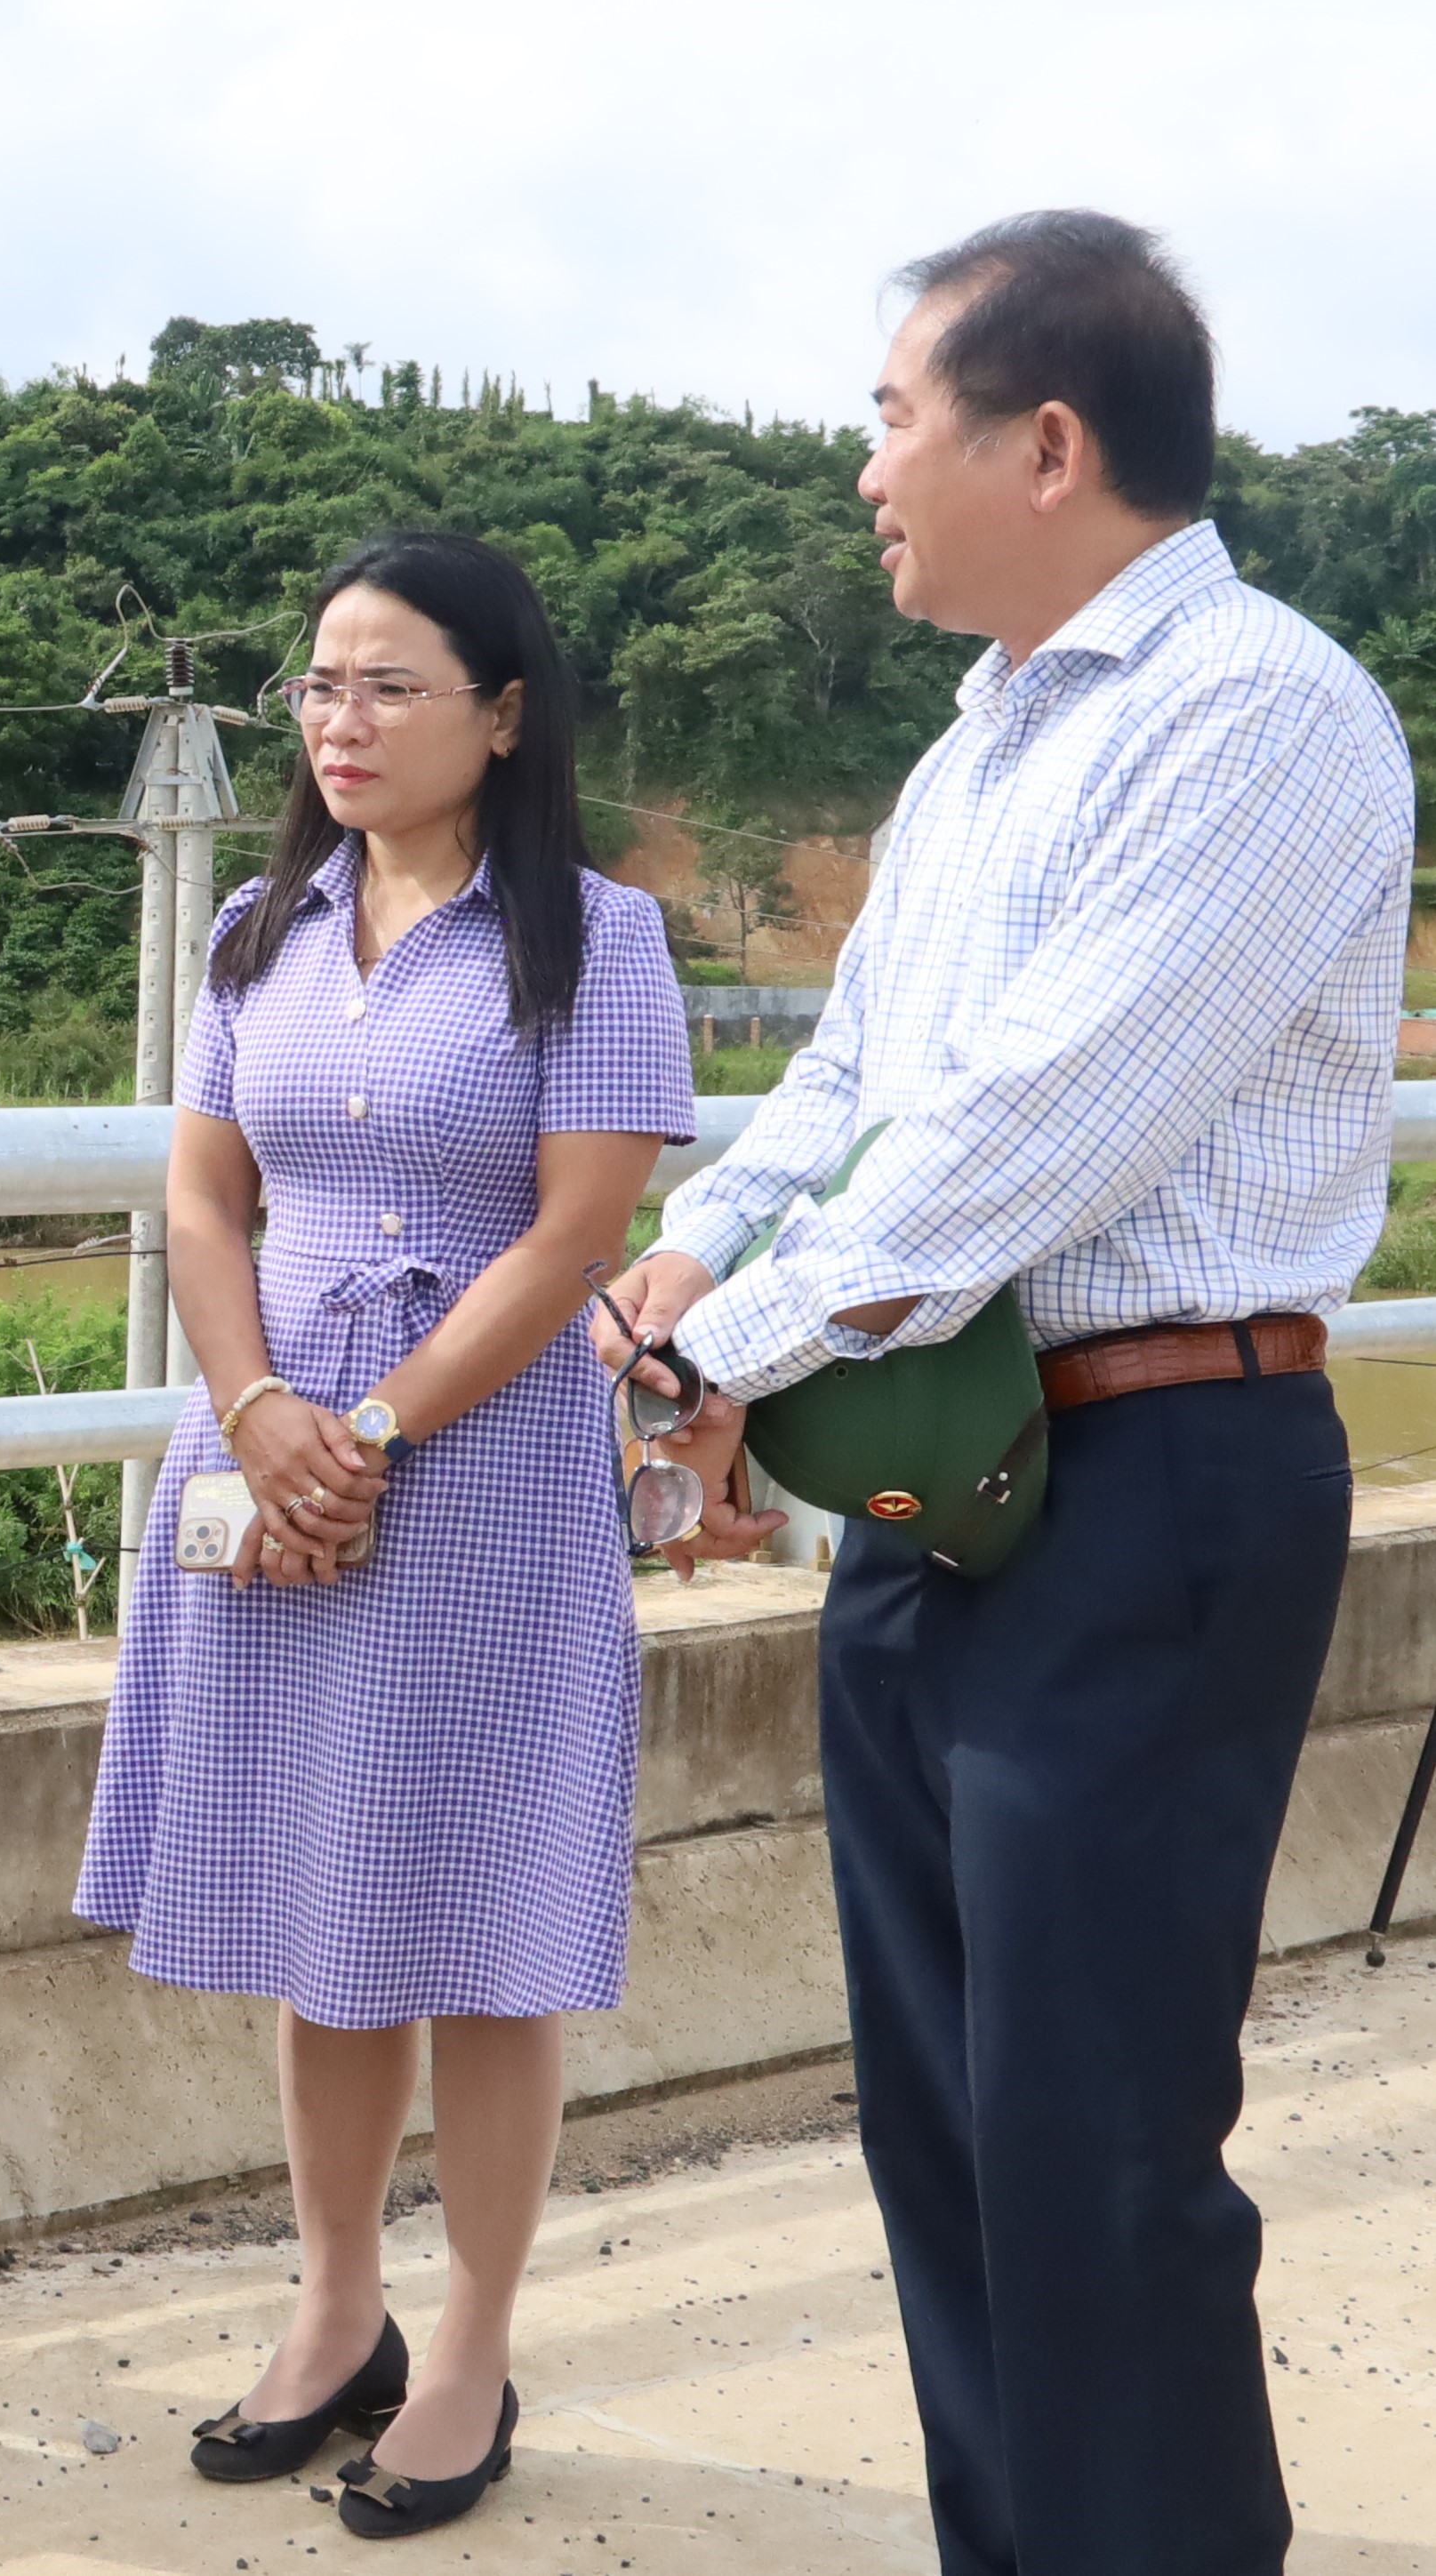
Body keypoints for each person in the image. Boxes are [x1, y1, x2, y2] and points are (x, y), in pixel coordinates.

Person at [609, 213, 1408, 2576]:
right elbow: (857, 1075)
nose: (860, 465)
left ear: (1041, 440)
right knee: (951, 2139)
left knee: (1094, 2148)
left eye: (887, 414)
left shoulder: (1253, 707)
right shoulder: (979, 740)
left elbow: (1045, 1114)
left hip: (1146, 1477)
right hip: (939, 1490)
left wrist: (726, 1353)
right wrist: (695, 1244)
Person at [73, 529, 694, 2540]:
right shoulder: (256, 925)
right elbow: (195, 1201)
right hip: (267, 1451)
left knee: (482, 1933)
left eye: (387, 684)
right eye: (315, 686)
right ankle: (330, 2301)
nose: (338, 720)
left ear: (500, 715)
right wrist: (256, 1414)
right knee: (322, 1915)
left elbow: (574, 1230)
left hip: (482, 1467)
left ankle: (467, 2342)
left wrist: (367, 1423)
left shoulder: (590, 938)